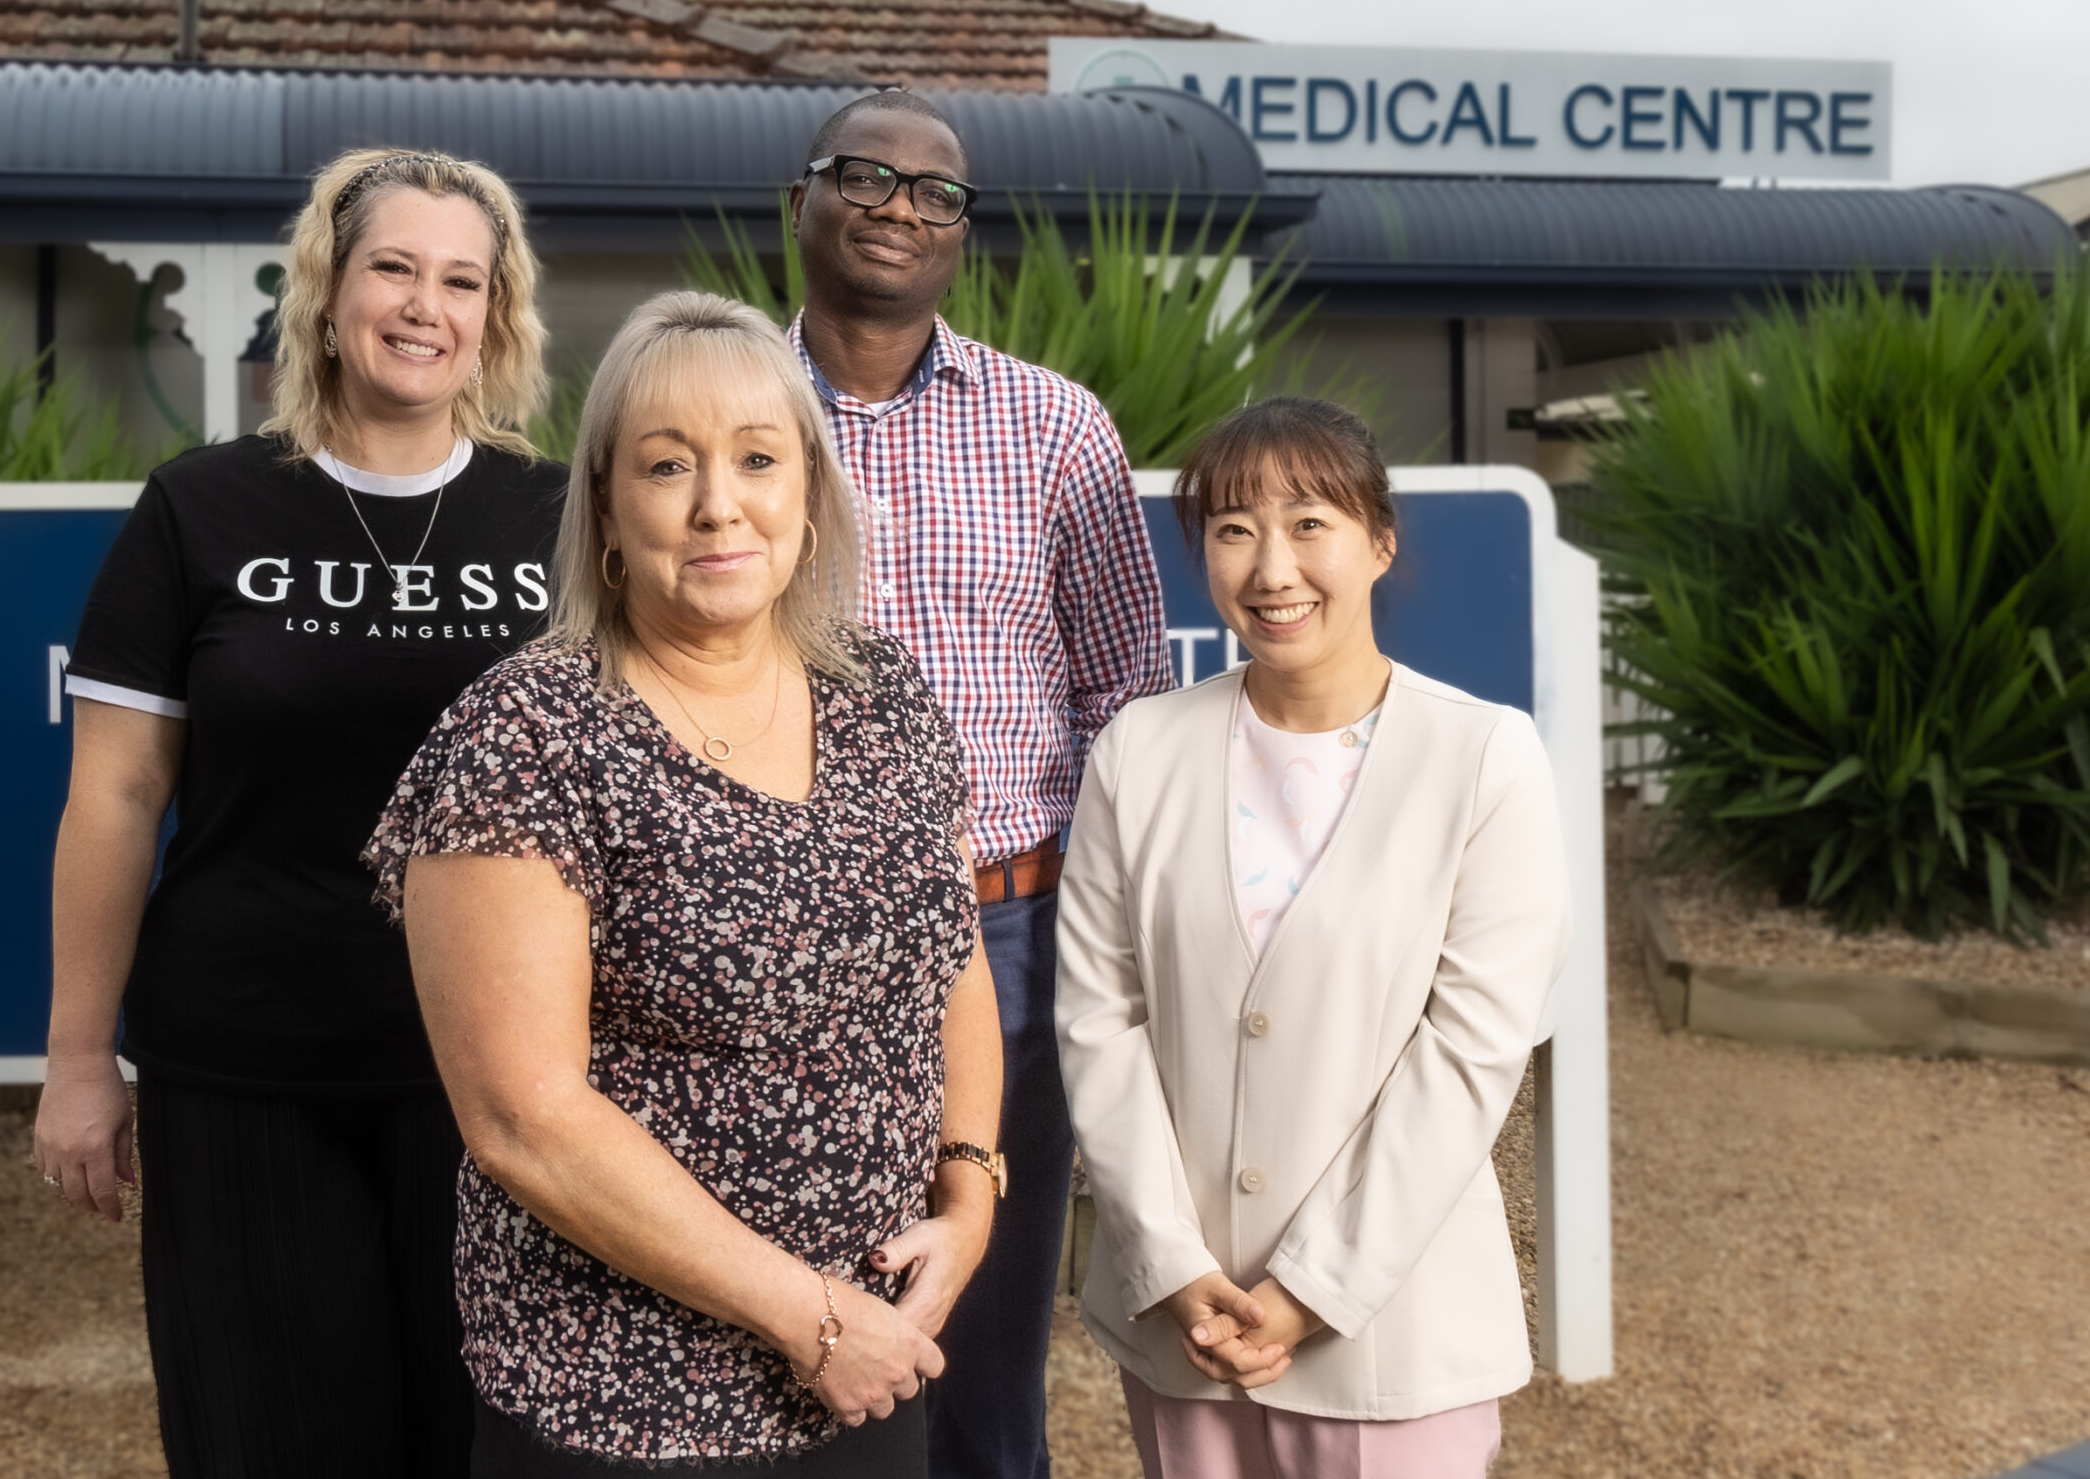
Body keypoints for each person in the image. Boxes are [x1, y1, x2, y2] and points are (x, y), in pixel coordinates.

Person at [364, 291, 1003, 1475]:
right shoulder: (528, 733)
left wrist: (968, 1196)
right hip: (626, 1403)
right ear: (606, 507)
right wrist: (805, 1316)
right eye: (667, 467)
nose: (720, 504)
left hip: (873, 1365)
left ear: (808, 494)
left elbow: (952, 958)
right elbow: (522, 1119)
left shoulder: (883, 694)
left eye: (757, 459)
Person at [32, 148, 567, 1476]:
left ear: (496, 315)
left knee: (485, 1441)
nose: (422, 304)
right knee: (263, 1436)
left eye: (461, 278)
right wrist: (77, 1057)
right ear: (327, 292)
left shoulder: (560, 519)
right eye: (392, 266)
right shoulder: (201, 508)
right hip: (245, 1061)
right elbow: (115, 792)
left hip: (505, 1070)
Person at [1054, 396, 1570, 1479]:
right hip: (1185, 1323)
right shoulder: (1137, 753)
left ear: (1378, 541)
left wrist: (1310, 1290)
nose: (1271, 567)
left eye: (1308, 525)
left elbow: (1469, 1053)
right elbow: (1098, 1019)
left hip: (1393, 1324)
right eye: (1234, 530)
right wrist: (1167, 1260)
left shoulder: (1484, 758)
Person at [782, 87, 1174, 1479]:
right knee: (786, 1319)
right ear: (801, 201)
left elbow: (1127, 694)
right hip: (776, 929)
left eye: (934, 191)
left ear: (963, 231)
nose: (898, 205)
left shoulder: (1058, 429)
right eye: (865, 176)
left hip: (1013, 931)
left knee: (992, 1337)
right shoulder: (719, 411)